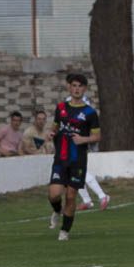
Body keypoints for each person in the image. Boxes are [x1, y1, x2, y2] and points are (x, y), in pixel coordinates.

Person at [47, 74, 101, 240]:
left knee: (71, 196)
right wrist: (52, 133)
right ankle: (57, 210)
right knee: (54, 194)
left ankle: (64, 232)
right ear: (69, 87)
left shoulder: (90, 113)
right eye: (74, 85)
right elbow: (55, 126)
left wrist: (83, 139)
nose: (77, 89)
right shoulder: (61, 108)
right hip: (61, 158)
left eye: (80, 86)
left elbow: (97, 137)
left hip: (78, 160)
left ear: (84, 89)